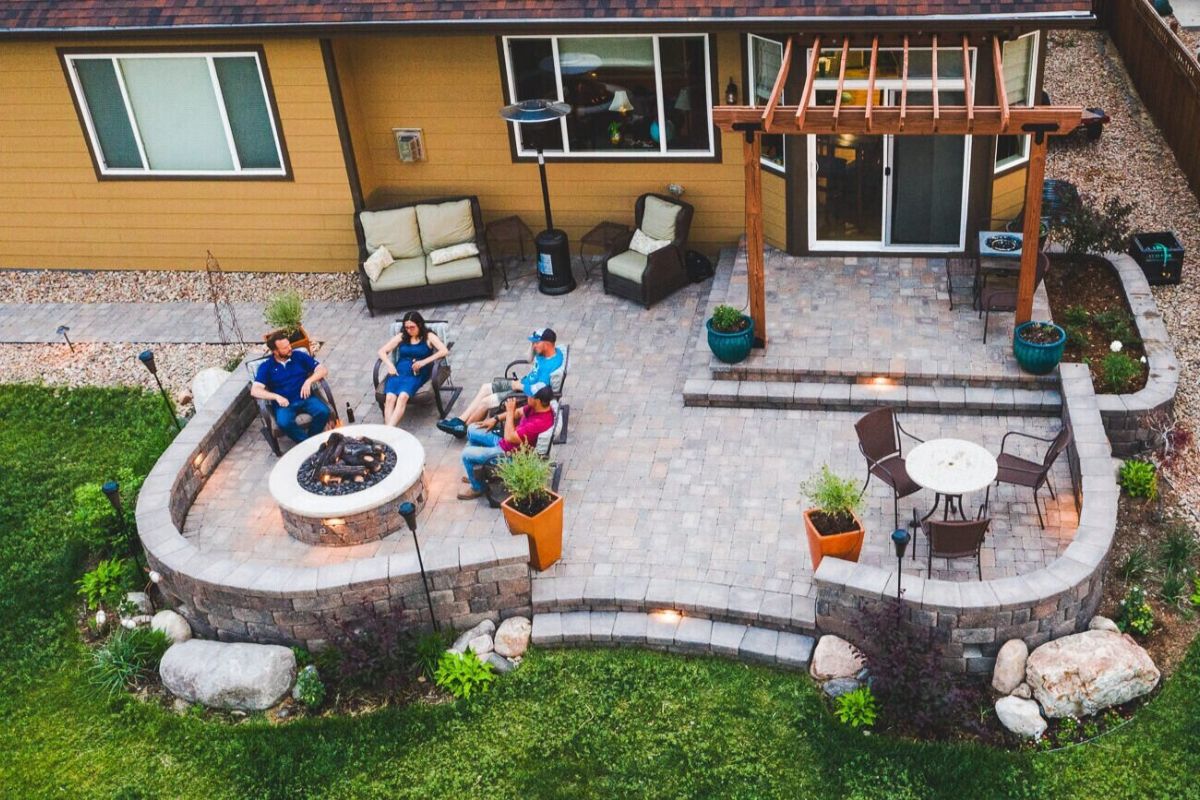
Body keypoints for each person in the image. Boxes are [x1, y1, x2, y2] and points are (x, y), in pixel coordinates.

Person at [437, 327, 563, 438]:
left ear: (546, 344)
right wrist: (533, 345)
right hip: (518, 384)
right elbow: (528, 358)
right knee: (485, 388)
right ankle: (459, 421)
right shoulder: (546, 351)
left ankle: (466, 428)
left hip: (522, 393)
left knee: (485, 402)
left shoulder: (551, 366)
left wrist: (519, 385)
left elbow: (538, 391)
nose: (534, 346)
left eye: (536, 343)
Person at [458, 385, 556, 500]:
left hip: (510, 455)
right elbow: (519, 413)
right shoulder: (536, 407)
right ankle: (476, 474)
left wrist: (509, 411)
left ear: (538, 400)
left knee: (466, 454)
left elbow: (509, 436)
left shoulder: (539, 423)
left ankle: (478, 487)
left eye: (529, 395)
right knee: (472, 429)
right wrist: (495, 419)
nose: (526, 396)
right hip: (505, 443)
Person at [250, 332, 331, 443]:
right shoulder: (266, 367)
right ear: (275, 351)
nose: (289, 348)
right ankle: (307, 444)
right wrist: (276, 397)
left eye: (289, 345)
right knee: (284, 423)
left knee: (323, 412)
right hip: (284, 404)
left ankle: (311, 439)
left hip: (306, 398)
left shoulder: (298, 356)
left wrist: (308, 381)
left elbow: (322, 370)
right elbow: (255, 390)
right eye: (285, 348)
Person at [376, 311, 449, 427]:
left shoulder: (428, 336)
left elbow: (444, 351)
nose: (409, 330)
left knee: (403, 396)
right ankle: (389, 430)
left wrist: (424, 361)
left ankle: (388, 430)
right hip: (399, 370)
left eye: (412, 327)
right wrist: (389, 365)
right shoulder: (402, 336)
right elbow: (381, 351)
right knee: (389, 398)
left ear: (419, 324)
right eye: (407, 327)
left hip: (418, 372)